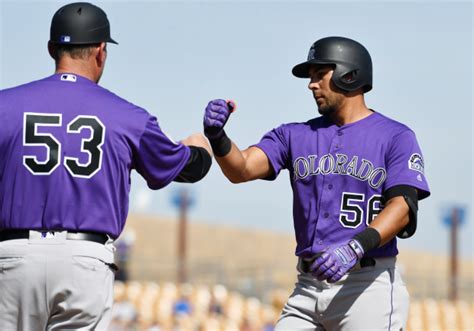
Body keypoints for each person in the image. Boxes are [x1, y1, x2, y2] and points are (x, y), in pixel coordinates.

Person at [0, 2, 212, 330]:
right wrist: (200, 147)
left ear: (51, 49)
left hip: (13, 257)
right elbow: (189, 168)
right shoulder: (127, 117)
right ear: (101, 51)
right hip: (84, 261)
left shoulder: (5, 106)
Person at [203, 36, 430, 330]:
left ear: (350, 74)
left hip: (367, 285)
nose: (311, 84)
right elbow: (241, 169)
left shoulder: (395, 136)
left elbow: (402, 208)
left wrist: (355, 248)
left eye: (319, 75)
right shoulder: (294, 135)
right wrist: (217, 137)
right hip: (307, 286)